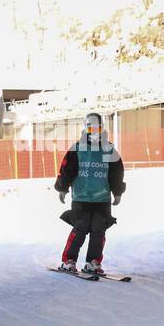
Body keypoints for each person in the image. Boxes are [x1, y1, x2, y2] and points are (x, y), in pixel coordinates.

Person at [55, 113, 125, 274]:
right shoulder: (77, 149)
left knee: (98, 230)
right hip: (81, 197)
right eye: (91, 128)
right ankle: (69, 260)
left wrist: (118, 192)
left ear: (102, 129)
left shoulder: (109, 149)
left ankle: (93, 262)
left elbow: (117, 173)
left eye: (98, 128)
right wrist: (63, 188)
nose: (94, 131)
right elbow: (66, 170)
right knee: (80, 228)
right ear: (85, 128)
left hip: (102, 199)